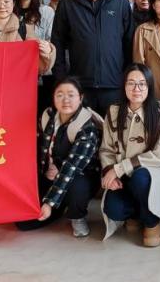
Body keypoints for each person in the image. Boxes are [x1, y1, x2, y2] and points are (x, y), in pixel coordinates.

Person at [99, 64, 160, 246]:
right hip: (122, 174)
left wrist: (120, 168)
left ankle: (151, 222)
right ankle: (136, 214)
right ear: (124, 86)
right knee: (113, 209)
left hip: (156, 172)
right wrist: (110, 172)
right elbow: (106, 149)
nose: (137, 89)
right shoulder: (113, 111)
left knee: (140, 178)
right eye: (131, 83)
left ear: (149, 86)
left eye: (142, 84)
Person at [16, 77, 102, 238]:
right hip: (51, 174)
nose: (65, 100)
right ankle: (59, 206)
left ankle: (77, 215)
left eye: (71, 95)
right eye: (60, 95)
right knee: (23, 223)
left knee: (77, 187)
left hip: (79, 176)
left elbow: (71, 168)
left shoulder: (87, 127)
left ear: (81, 98)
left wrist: (48, 203)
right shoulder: (48, 116)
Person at [51, 0, 134, 114]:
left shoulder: (120, 2)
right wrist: (62, 80)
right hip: (80, 87)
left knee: (113, 130)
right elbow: (57, 43)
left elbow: (129, 43)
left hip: (114, 86)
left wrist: (127, 79)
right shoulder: (68, 2)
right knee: (81, 129)